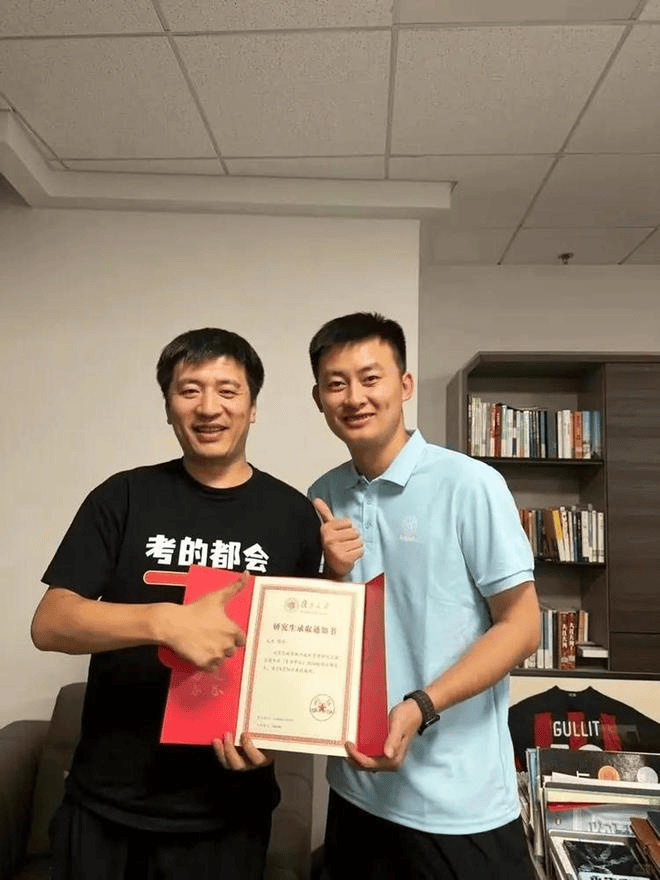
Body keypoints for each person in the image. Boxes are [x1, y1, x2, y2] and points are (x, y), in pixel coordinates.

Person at [31, 327, 321, 880]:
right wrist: (164, 620)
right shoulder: (122, 496)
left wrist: (276, 740)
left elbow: (296, 660)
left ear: (253, 407)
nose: (209, 407)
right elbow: (50, 623)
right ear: (168, 406)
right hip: (105, 808)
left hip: (228, 812)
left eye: (228, 391)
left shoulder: (294, 515)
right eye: (189, 390)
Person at [307, 313, 540, 880]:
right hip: (356, 788)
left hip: (458, 801)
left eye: (371, 378)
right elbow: (326, 627)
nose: (354, 397)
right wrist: (332, 574)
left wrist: (420, 705)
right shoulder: (323, 494)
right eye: (336, 384)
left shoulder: (470, 485)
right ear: (318, 399)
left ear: (404, 385)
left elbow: (521, 626)